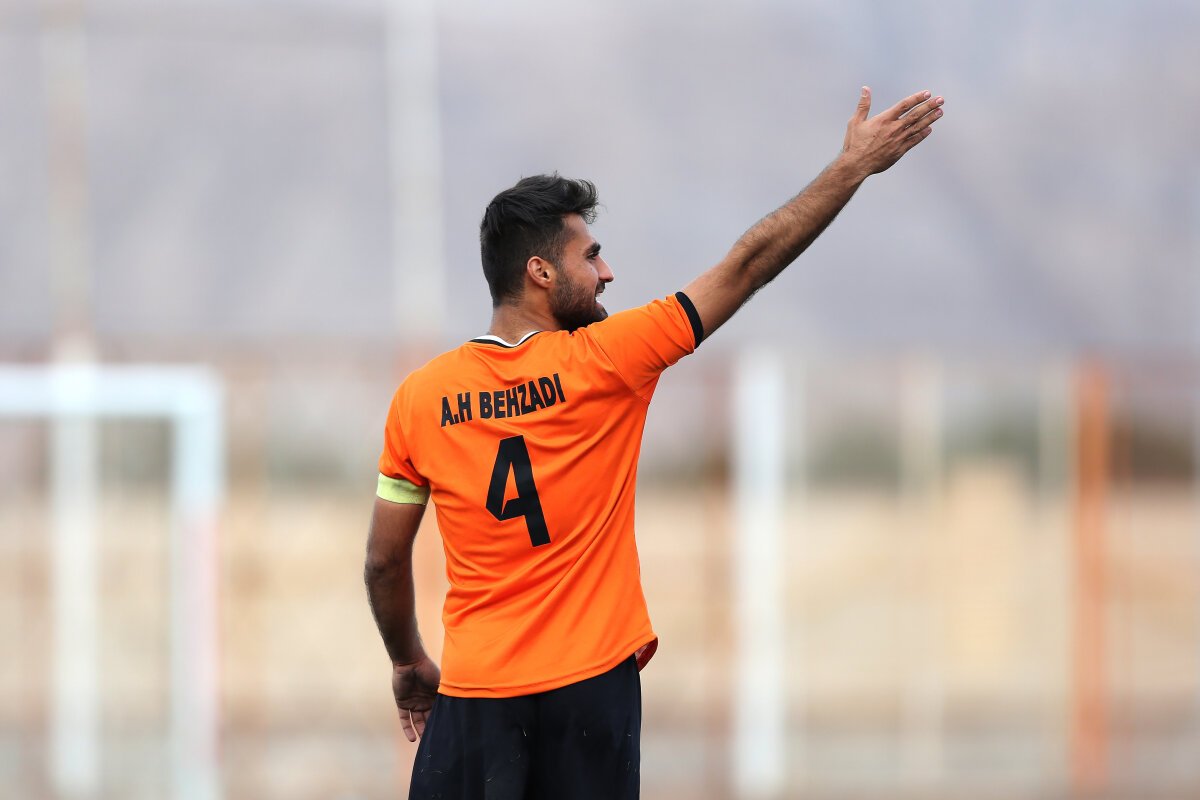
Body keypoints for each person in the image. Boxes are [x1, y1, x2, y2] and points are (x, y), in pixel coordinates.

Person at [365, 85, 944, 798]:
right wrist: (850, 168)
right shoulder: (609, 359)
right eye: (591, 256)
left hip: (474, 700)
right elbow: (748, 265)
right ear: (541, 272)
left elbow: (384, 562)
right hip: (587, 695)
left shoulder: (420, 399)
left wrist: (407, 661)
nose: (607, 273)